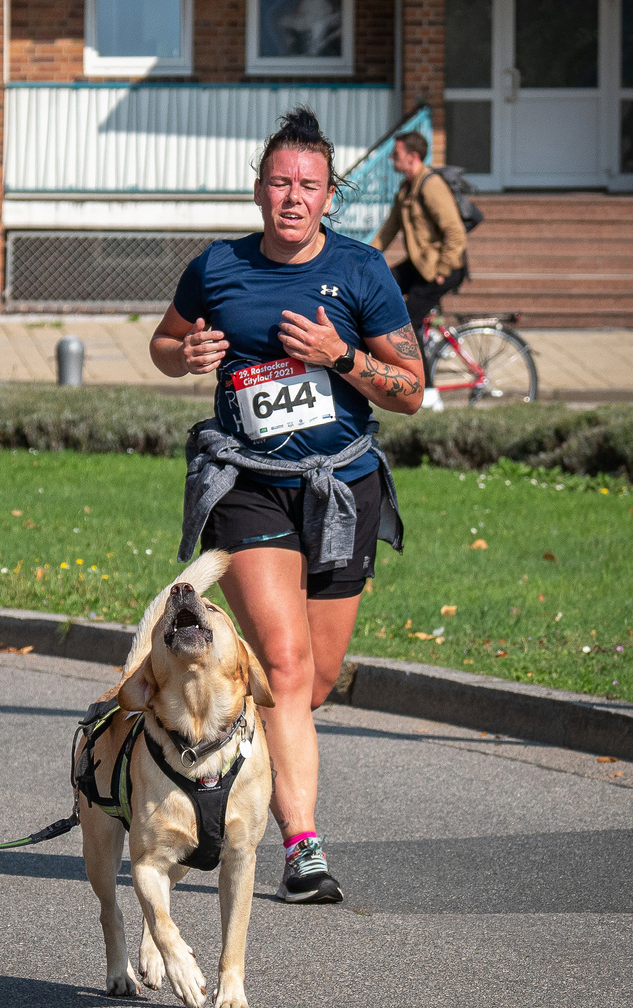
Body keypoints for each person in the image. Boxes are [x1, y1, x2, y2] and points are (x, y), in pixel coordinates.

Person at [150, 107, 422, 904]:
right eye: (279, 182)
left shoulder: (363, 272)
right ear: (259, 190)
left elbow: (409, 392)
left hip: (342, 487)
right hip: (249, 484)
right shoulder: (217, 268)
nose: (292, 197)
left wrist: (341, 357)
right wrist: (186, 354)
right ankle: (302, 846)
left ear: (329, 195)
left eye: (308, 185)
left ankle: (242, 751)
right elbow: (167, 346)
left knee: (316, 678)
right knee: (287, 664)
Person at [371, 130, 467, 411]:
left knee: (409, 322)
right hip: (420, 265)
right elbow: (388, 231)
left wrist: (442, 269)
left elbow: (455, 232)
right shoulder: (406, 190)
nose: (391, 158)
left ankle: (429, 392)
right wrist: (361, 258)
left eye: (396, 154)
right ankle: (435, 336)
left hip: (442, 268)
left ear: (412, 157)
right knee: (381, 285)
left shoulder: (431, 185)